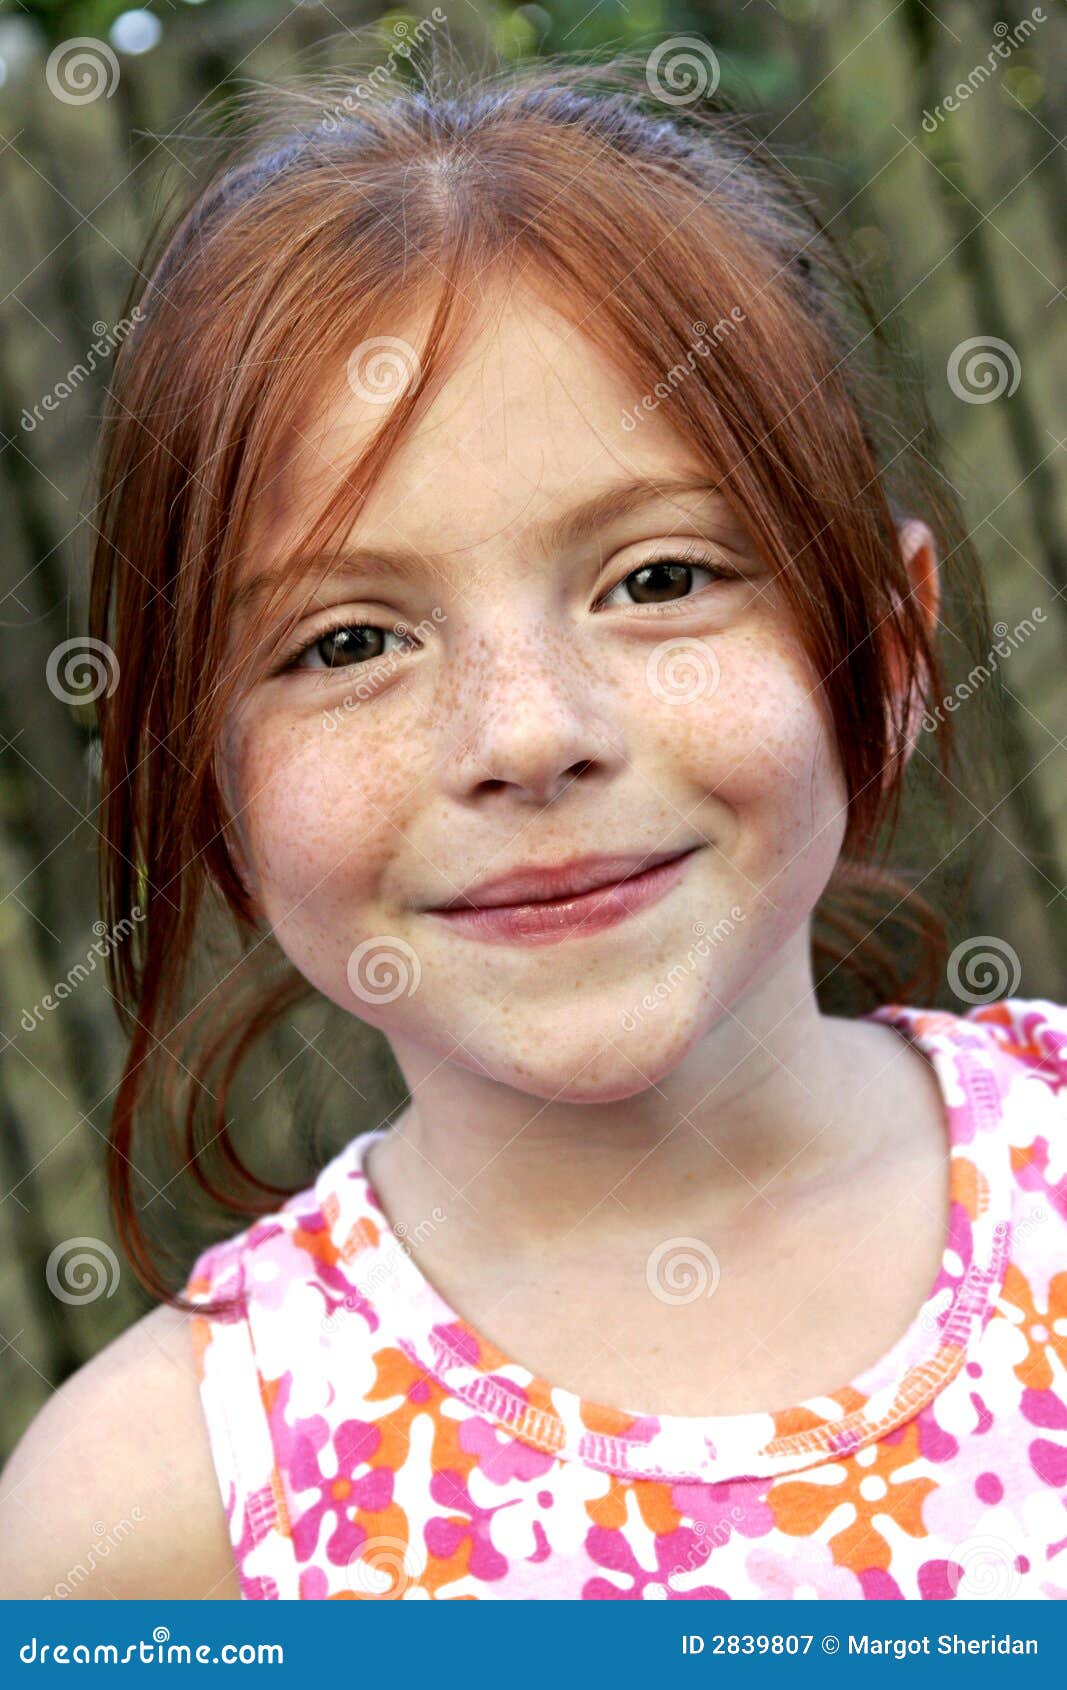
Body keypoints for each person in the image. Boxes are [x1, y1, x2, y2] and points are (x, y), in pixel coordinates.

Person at [2, 47, 1064, 1602]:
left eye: (660, 579)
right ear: (205, 777)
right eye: (348, 642)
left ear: (892, 652)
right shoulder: (157, 1516)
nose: (526, 736)